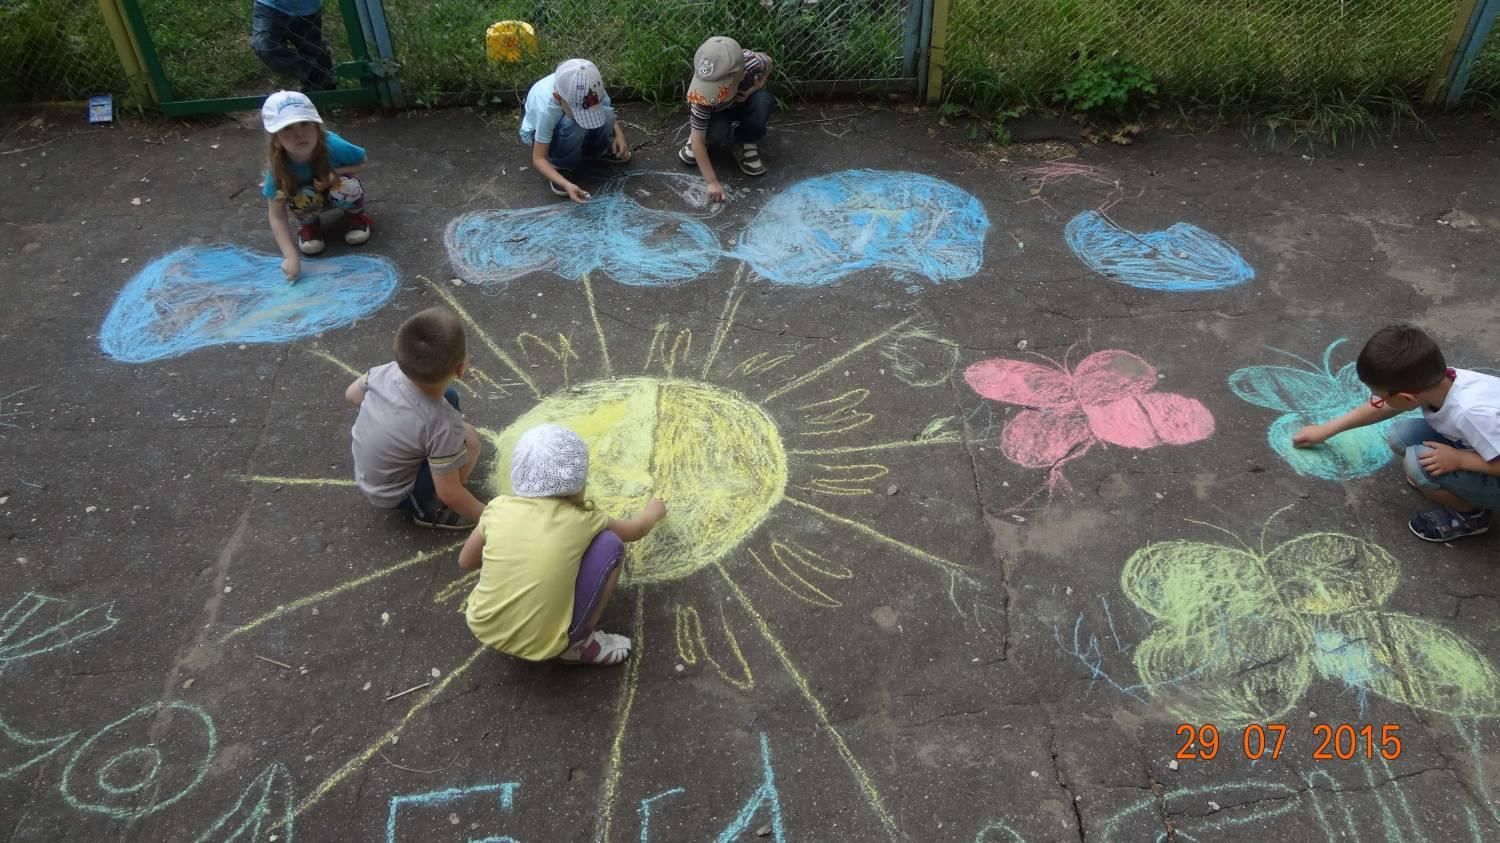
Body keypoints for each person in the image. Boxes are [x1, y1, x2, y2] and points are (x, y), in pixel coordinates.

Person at [459, 424, 667, 666]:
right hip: (546, 643)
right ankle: (580, 644)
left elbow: (466, 561)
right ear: (578, 479)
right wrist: (654, 512)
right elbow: (636, 530)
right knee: (611, 544)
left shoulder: (497, 508)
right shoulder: (583, 518)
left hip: (483, 624)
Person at [1294, 325, 1500, 542]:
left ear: (1406, 398)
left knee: (1417, 464)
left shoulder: (1471, 414)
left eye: (1380, 397)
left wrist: (1459, 460)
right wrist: (1326, 430)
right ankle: (1452, 485)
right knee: (1402, 435)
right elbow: (1385, 408)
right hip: (1485, 444)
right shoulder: (1441, 381)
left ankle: (1471, 517)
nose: (1379, 402)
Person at [346, 307, 486, 530]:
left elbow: (352, 394)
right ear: (460, 369)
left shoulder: (385, 371)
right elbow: (449, 493)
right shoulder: (441, 424)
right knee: (471, 440)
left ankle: (436, 457)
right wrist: (491, 517)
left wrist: (392, 418)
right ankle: (427, 510)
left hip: (370, 473)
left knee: (449, 397)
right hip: (397, 494)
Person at [261, 90, 372, 283]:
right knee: (302, 194)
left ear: (316, 126)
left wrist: (334, 174)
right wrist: (290, 256)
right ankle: (310, 227)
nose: (299, 133)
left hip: (337, 192)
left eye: (304, 123)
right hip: (309, 201)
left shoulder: (332, 145)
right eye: (287, 128)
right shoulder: (279, 167)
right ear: (276, 138)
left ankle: (355, 217)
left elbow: (362, 163)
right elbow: (276, 214)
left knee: (347, 185)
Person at [519, 58, 630, 202]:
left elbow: (608, 112)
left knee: (606, 113)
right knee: (575, 124)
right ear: (558, 98)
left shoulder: (592, 88)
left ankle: (597, 151)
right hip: (542, 133)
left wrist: (619, 135)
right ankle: (560, 165)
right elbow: (538, 158)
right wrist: (565, 184)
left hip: (566, 124)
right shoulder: (547, 109)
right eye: (580, 111)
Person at [679, 36, 774, 202]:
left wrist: (756, 87)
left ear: (742, 74)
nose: (713, 94)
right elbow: (698, 143)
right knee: (712, 134)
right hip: (715, 114)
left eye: (719, 88)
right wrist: (712, 182)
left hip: (740, 106)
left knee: (763, 100)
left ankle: (744, 140)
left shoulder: (751, 62)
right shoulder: (700, 96)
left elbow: (768, 62)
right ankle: (698, 132)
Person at [251, 0, 334, 91]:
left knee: (311, 50)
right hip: (268, 5)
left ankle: (320, 86)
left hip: (307, 9)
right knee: (266, 48)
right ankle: (319, 72)